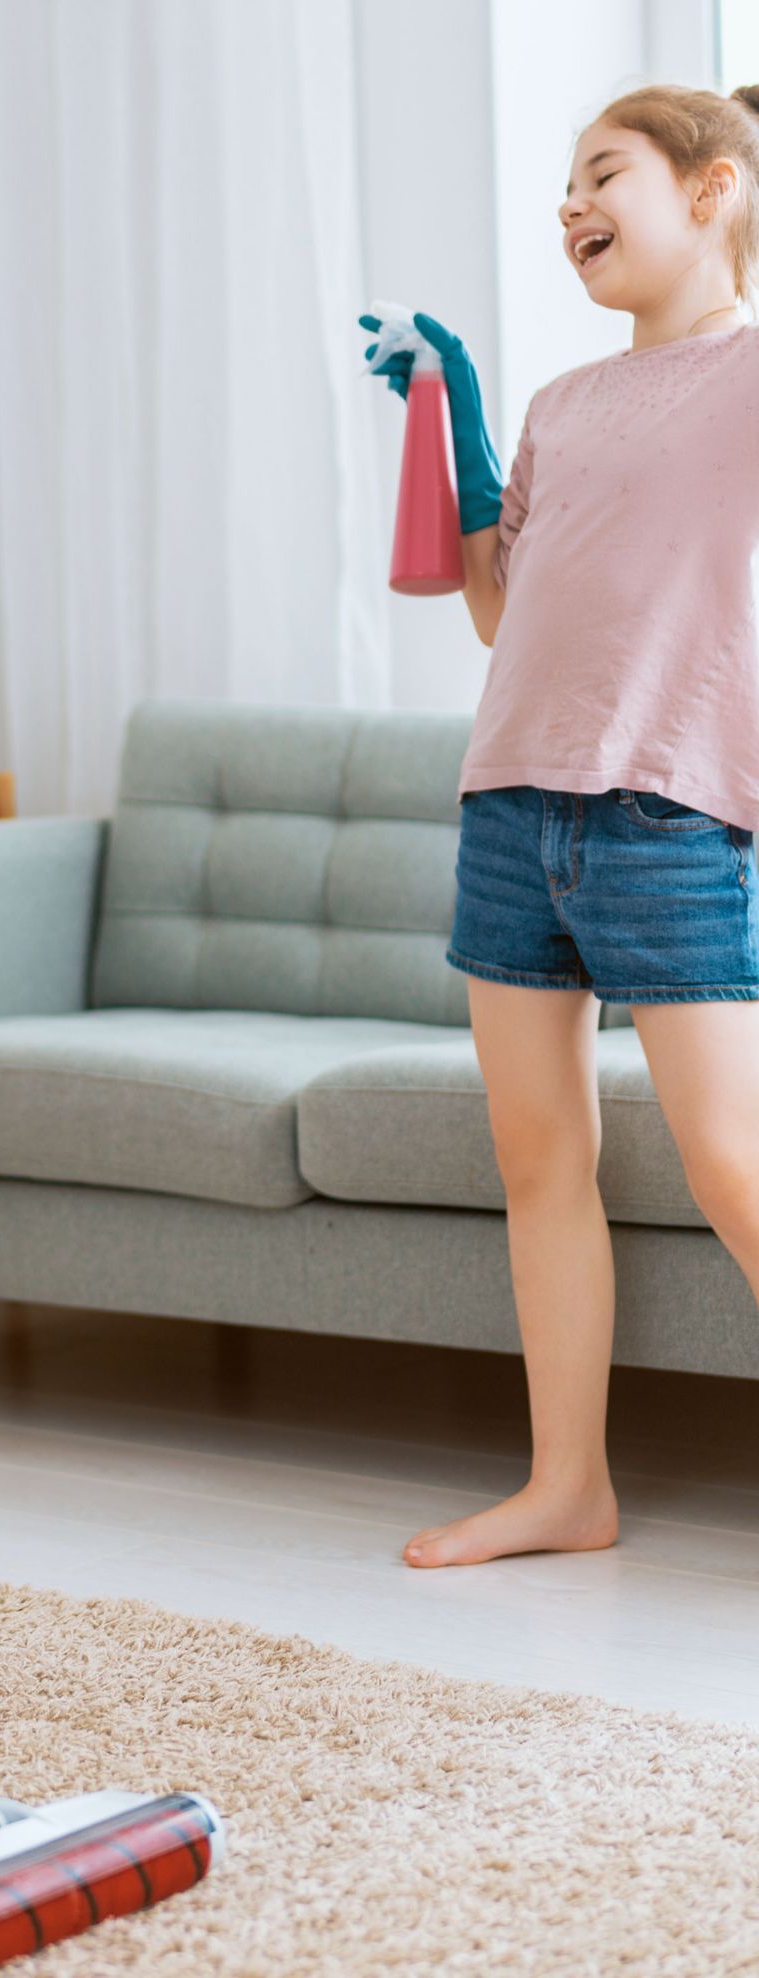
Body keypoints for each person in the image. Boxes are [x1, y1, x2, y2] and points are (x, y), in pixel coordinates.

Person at [360, 84, 759, 1567]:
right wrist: (456, 421)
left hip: (671, 807)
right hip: (510, 801)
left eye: (607, 175)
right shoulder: (562, 404)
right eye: (564, 192)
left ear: (713, 190)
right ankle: (566, 1487)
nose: (572, 207)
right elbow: (499, 612)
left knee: (734, 1158)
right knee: (539, 1159)